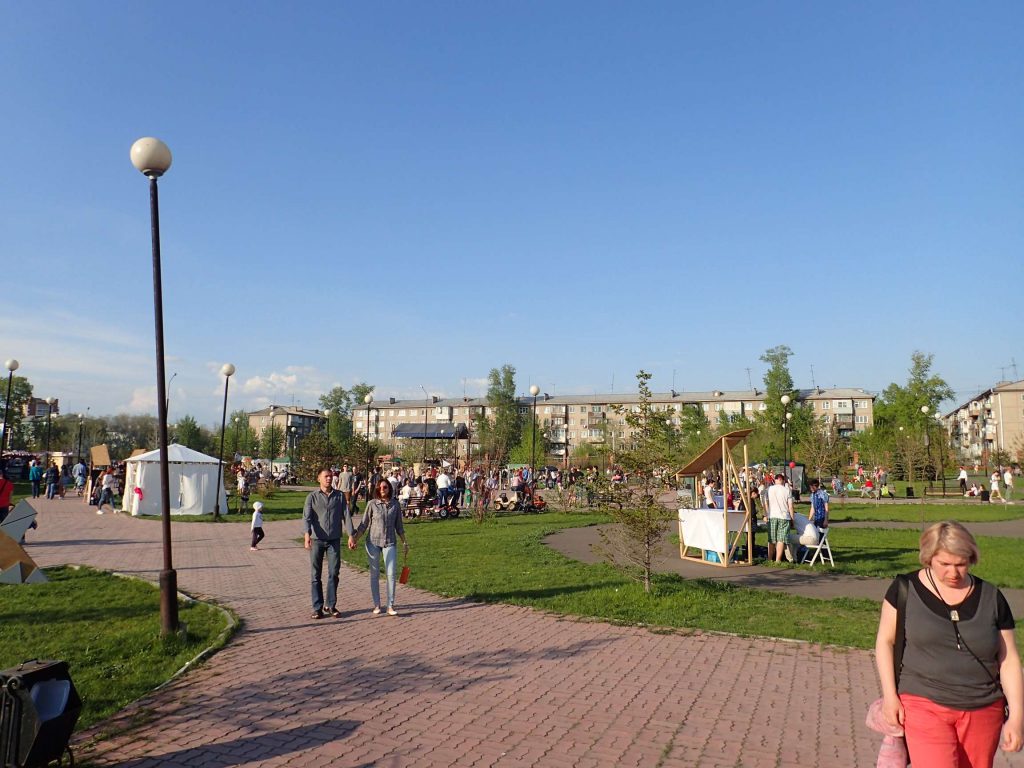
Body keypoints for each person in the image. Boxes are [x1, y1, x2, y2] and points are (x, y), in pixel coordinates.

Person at [875, 521, 1023, 766]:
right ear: (928, 558)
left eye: (961, 565)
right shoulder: (904, 589)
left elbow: (1009, 661)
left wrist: (1017, 716)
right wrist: (890, 696)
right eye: (944, 564)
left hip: (984, 708)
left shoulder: (992, 597)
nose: (953, 573)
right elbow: (885, 641)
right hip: (923, 702)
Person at [349, 478, 408, 616]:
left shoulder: (395, 505)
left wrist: (405, 542)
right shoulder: (372, 504)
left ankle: (390, 605)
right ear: (377, 489)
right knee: (374, 574)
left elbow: (399, 526)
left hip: (390, 542)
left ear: (389, 489)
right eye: (380, 487)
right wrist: (355, 539)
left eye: (385, 487)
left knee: (391, 574)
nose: (383, 489)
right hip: (373, 542)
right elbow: (364, 524)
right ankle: (377, 604)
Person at [302, 467, 353, 620]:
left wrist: (351, 535)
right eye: (326, 476)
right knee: (315, 575)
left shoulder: (339, 496)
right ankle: (317, 607)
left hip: (334, 540)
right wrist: (307, 535)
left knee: (334, 573)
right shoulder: (312, 497)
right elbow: (307, 517)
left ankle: (330, 605)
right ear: (319, 479)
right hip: (317, 539)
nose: (329, 479)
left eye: (331, 476)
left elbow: (346, 516)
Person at [766, 473, 794, 562]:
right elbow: (790, 506)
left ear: (775, 480)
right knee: (781, 539)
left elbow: (765, 502)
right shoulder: (787, 490)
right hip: (784, 516)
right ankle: (778, 559)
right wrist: (792, 518)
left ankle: (770, 558)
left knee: (771, 539)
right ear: (783, 480)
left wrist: (767, 513)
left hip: (772, 515)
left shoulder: (769, 489)